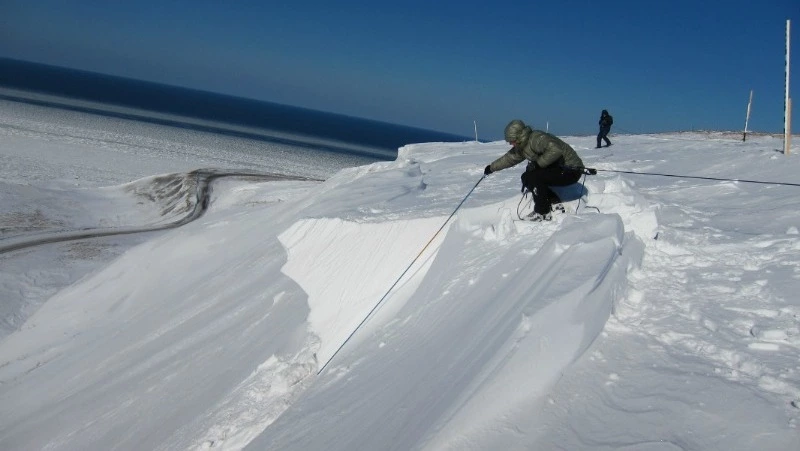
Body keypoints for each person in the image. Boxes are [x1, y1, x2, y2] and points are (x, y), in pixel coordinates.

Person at [484, 119, 586, 221]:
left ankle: (542, 212)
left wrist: (537, 164)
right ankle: (554, 201)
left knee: (534, 176)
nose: (511, 144)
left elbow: (556, 150)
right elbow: (509, 158)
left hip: (570, 170)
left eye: (512, 141)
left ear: (519, 137)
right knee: (527, 177)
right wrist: (492, 168)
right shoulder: (523, 145)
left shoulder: (536, 138)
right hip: (559, 169)